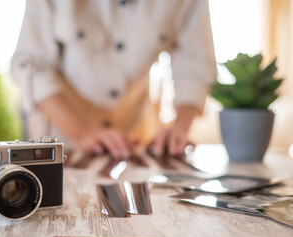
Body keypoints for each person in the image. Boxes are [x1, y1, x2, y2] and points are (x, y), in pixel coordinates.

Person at [11, 0, 217, 160]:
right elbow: (34, 66)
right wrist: (84, 131)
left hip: (134, 141)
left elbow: (194, 68)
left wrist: (179, 128)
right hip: (61, 141)